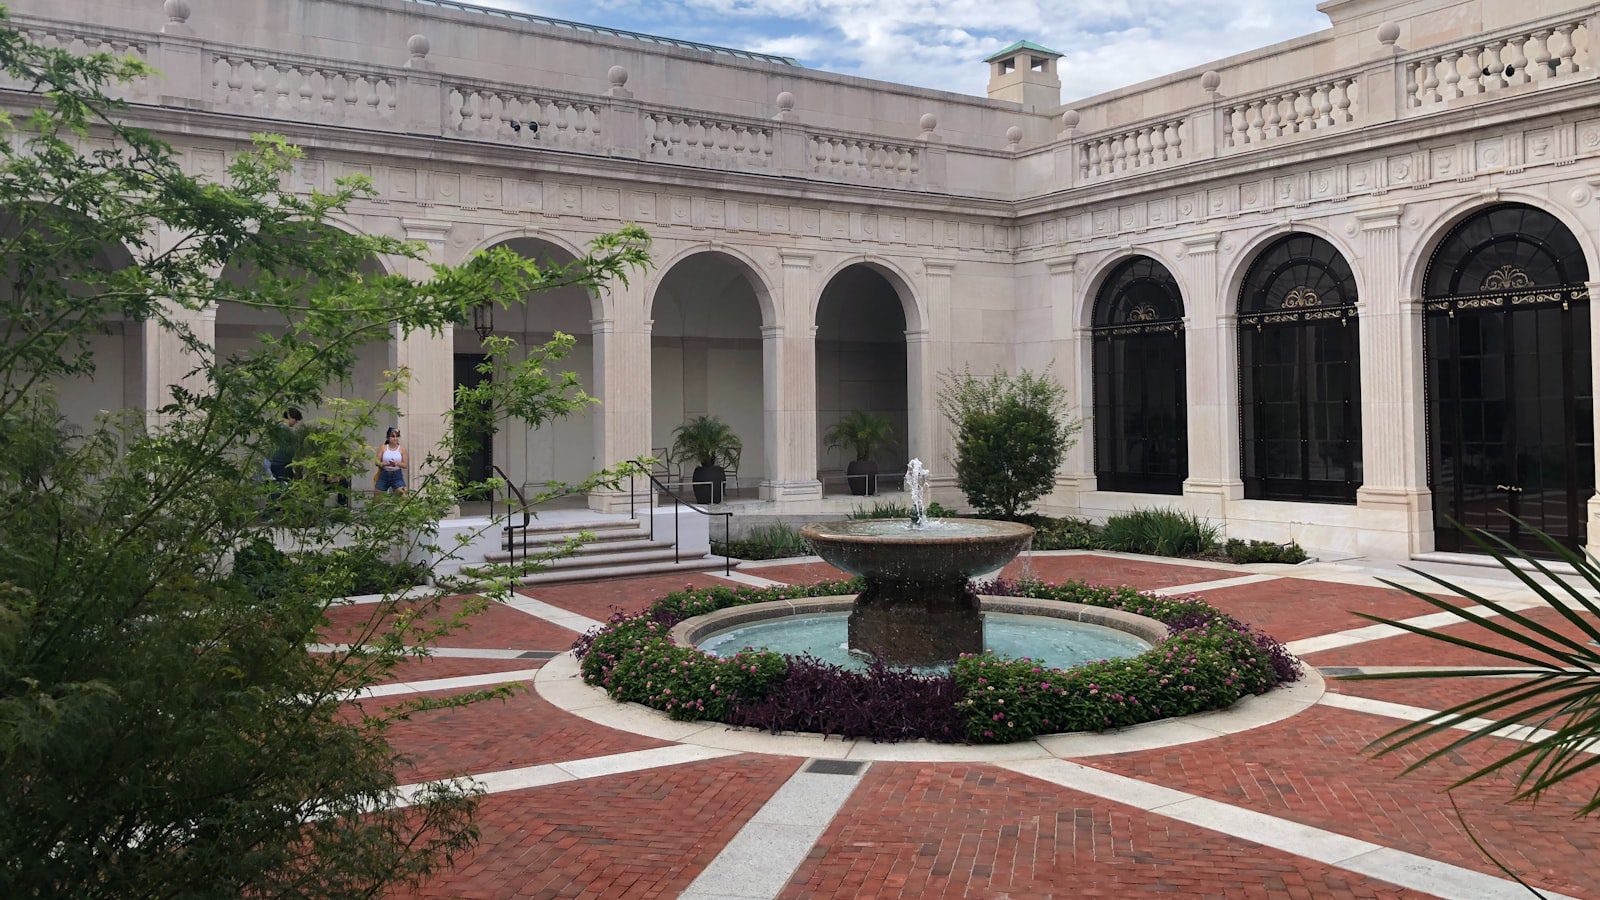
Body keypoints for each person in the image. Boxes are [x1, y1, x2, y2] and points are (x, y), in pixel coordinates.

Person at [267, 408, 304, 482]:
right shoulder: (287, 431)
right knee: (284, 485)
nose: (296, 422)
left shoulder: (275, 428)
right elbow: (289, 449)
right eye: (295, 420)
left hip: (272, 462)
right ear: (290, 417)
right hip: (283, 463)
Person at [375, 426, 407, 493]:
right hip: (384, 474)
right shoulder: (383, 448)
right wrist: (386, 463)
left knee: (403, 495)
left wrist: (396, 463)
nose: (395, 438)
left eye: (397, 436)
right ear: (388, 437)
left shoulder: (402, 449)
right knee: (378, 497)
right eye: (393, 436)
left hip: (397, 474)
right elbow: (376, 462)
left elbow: (405, 465)